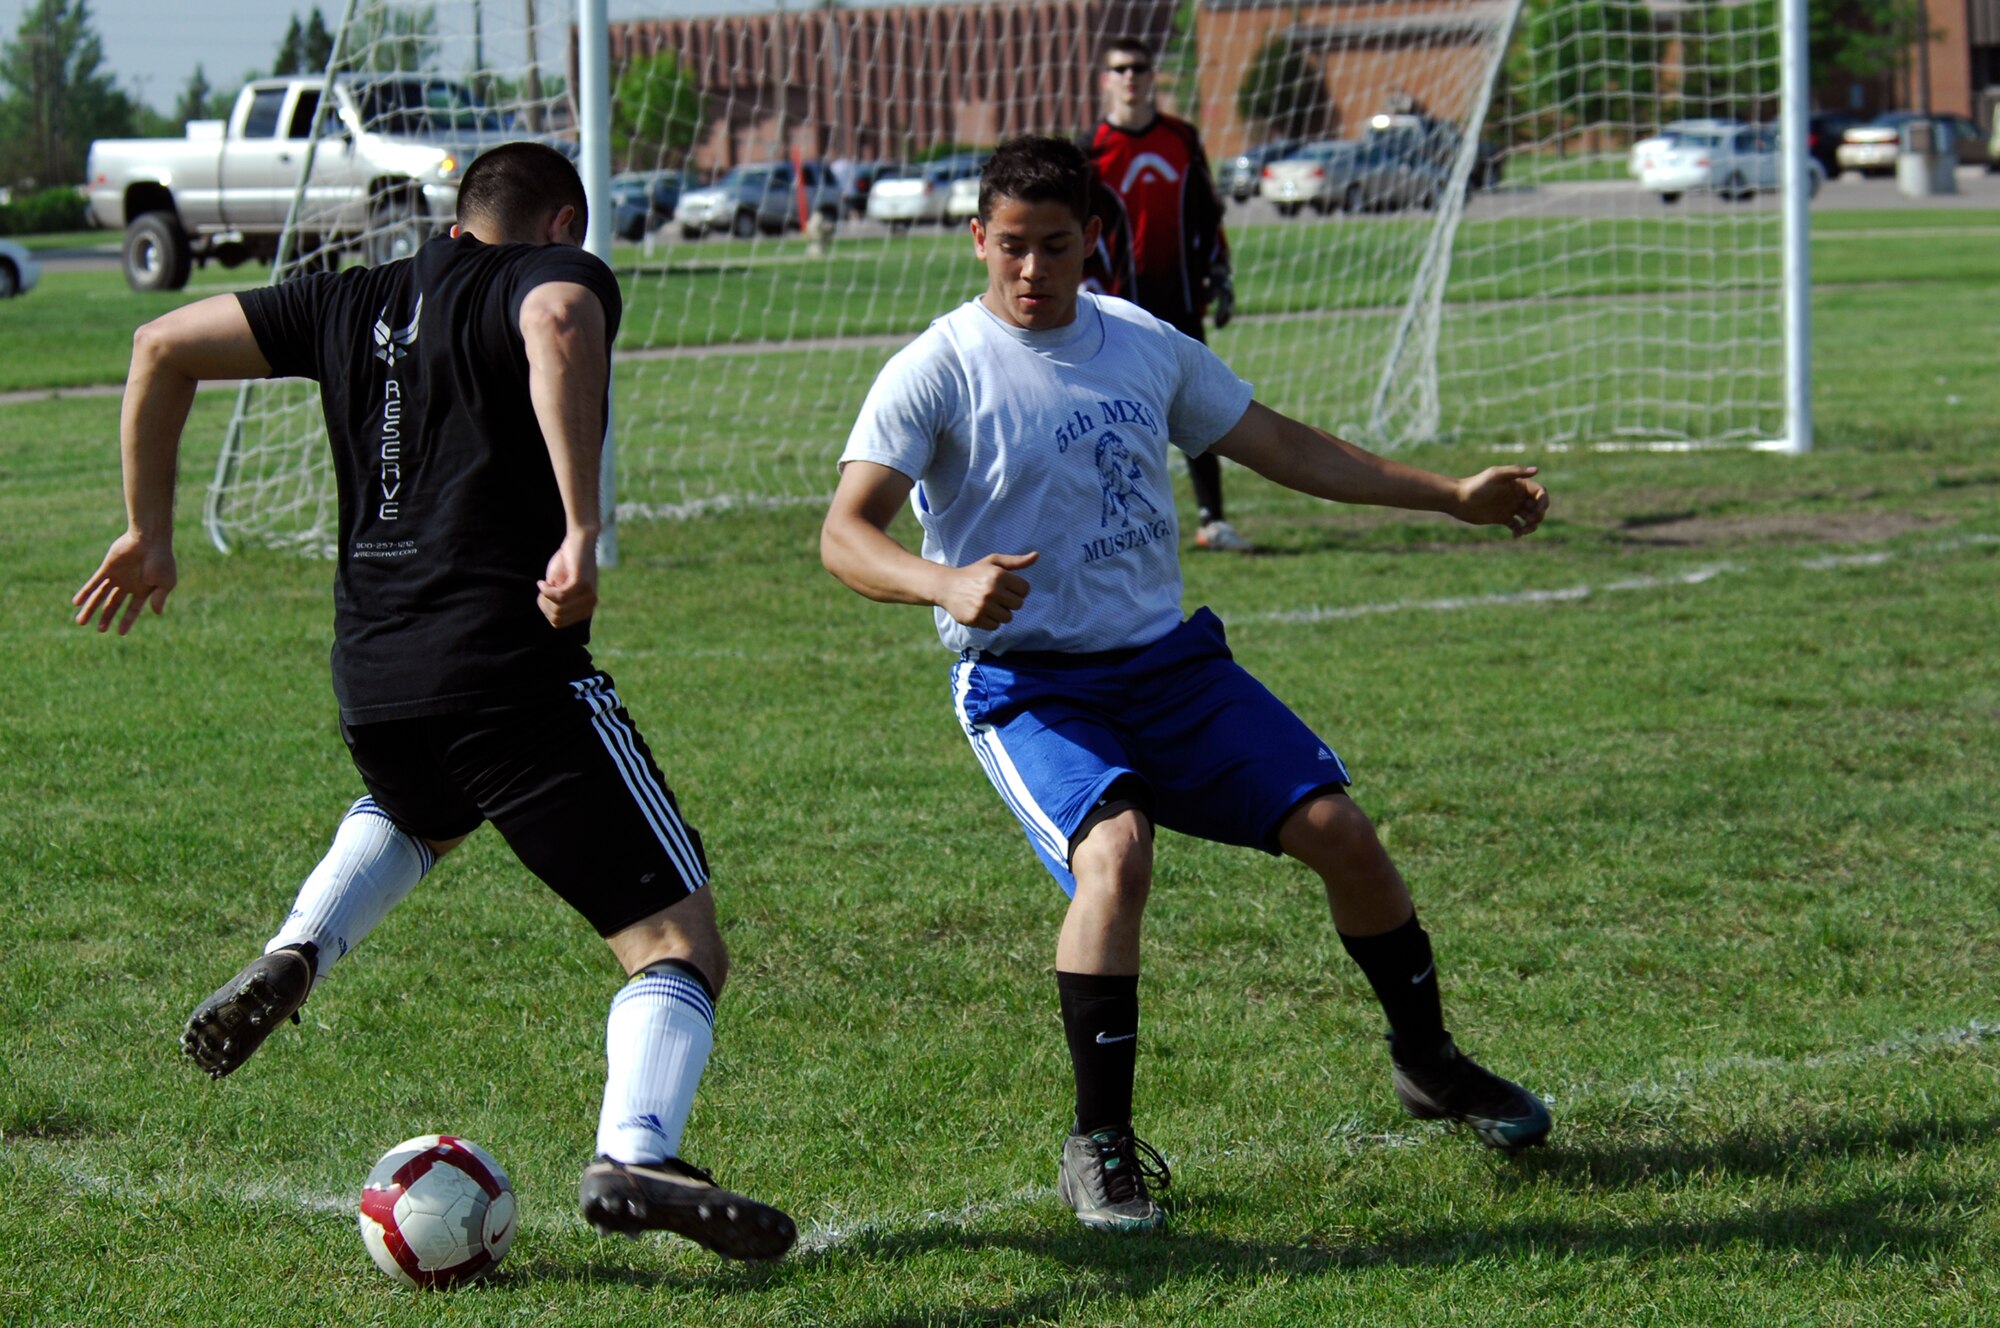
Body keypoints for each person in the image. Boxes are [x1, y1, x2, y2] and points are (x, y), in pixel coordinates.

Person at [71, 142, 795, 1262]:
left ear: (459, 215)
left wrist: (148, 530)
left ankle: (297, 947)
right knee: (674, 945)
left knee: (421, 813)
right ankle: (635, 1147)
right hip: (508, 669)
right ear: (561, 219)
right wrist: (582, 527)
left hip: (374, 673)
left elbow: (158, 342)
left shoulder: (347, 295)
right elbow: (557, 322)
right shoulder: (547, 271)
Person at [820, 135, 1553, 1234]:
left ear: (1090, 242)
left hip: (1169, 665)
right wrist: (942, 580)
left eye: (1053, 246)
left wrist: (1450, 493)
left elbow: (1284, 446)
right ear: (976, 238)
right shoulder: (937, 366)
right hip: (1031, 687)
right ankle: (1100, 1143)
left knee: (1339, 830)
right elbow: (842, 533)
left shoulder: (1140, 344)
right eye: (1008, 246)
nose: (1029, 270)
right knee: (1114, 852)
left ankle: (1430, 1063)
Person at [1087, 35, 1247, 553]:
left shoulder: (1182, 138)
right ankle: (1117, 526)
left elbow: (1207, 214)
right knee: (1117, 421)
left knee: (1199, 410)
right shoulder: (1092, 151)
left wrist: (1220, 273)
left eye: (1139, 68)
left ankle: (1213, 519)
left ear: (1153, 76)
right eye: (1120, 69)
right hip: (1116, 311)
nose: (1131, 77)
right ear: (1106, 80)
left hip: (1180, 302)